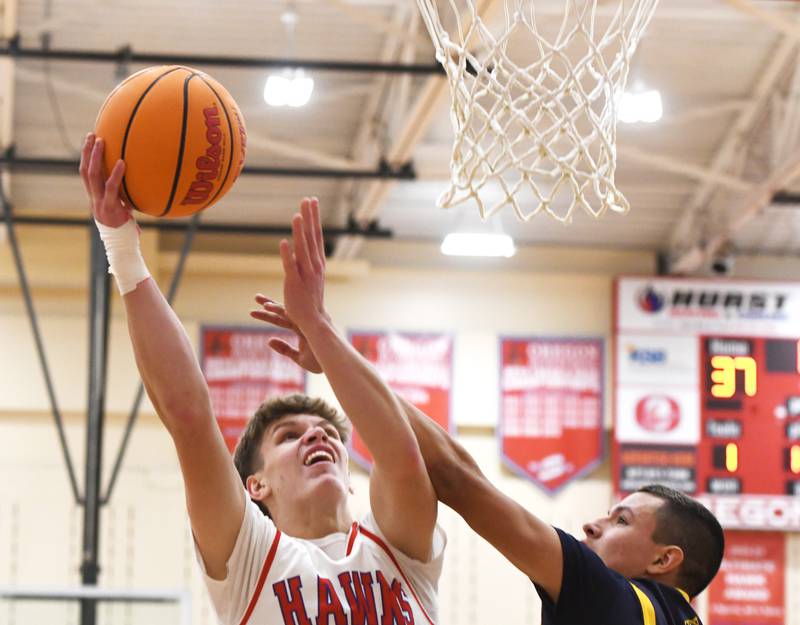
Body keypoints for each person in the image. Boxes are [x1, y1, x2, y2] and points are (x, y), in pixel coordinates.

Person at [79, 133, 444, 625]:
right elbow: (189, 415)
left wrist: (321, 329)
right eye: (288, 436)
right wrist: (122, 249)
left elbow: (401, 456)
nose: (316, 434)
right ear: (254, 485)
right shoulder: (251, 560)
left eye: (331, 434)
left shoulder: (398, 549)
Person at [253, 275, 725, 625]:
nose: (592, 524)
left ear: (664, 560)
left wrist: (334, 351)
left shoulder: (616, 600)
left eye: (621, 520)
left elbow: (457, 478)